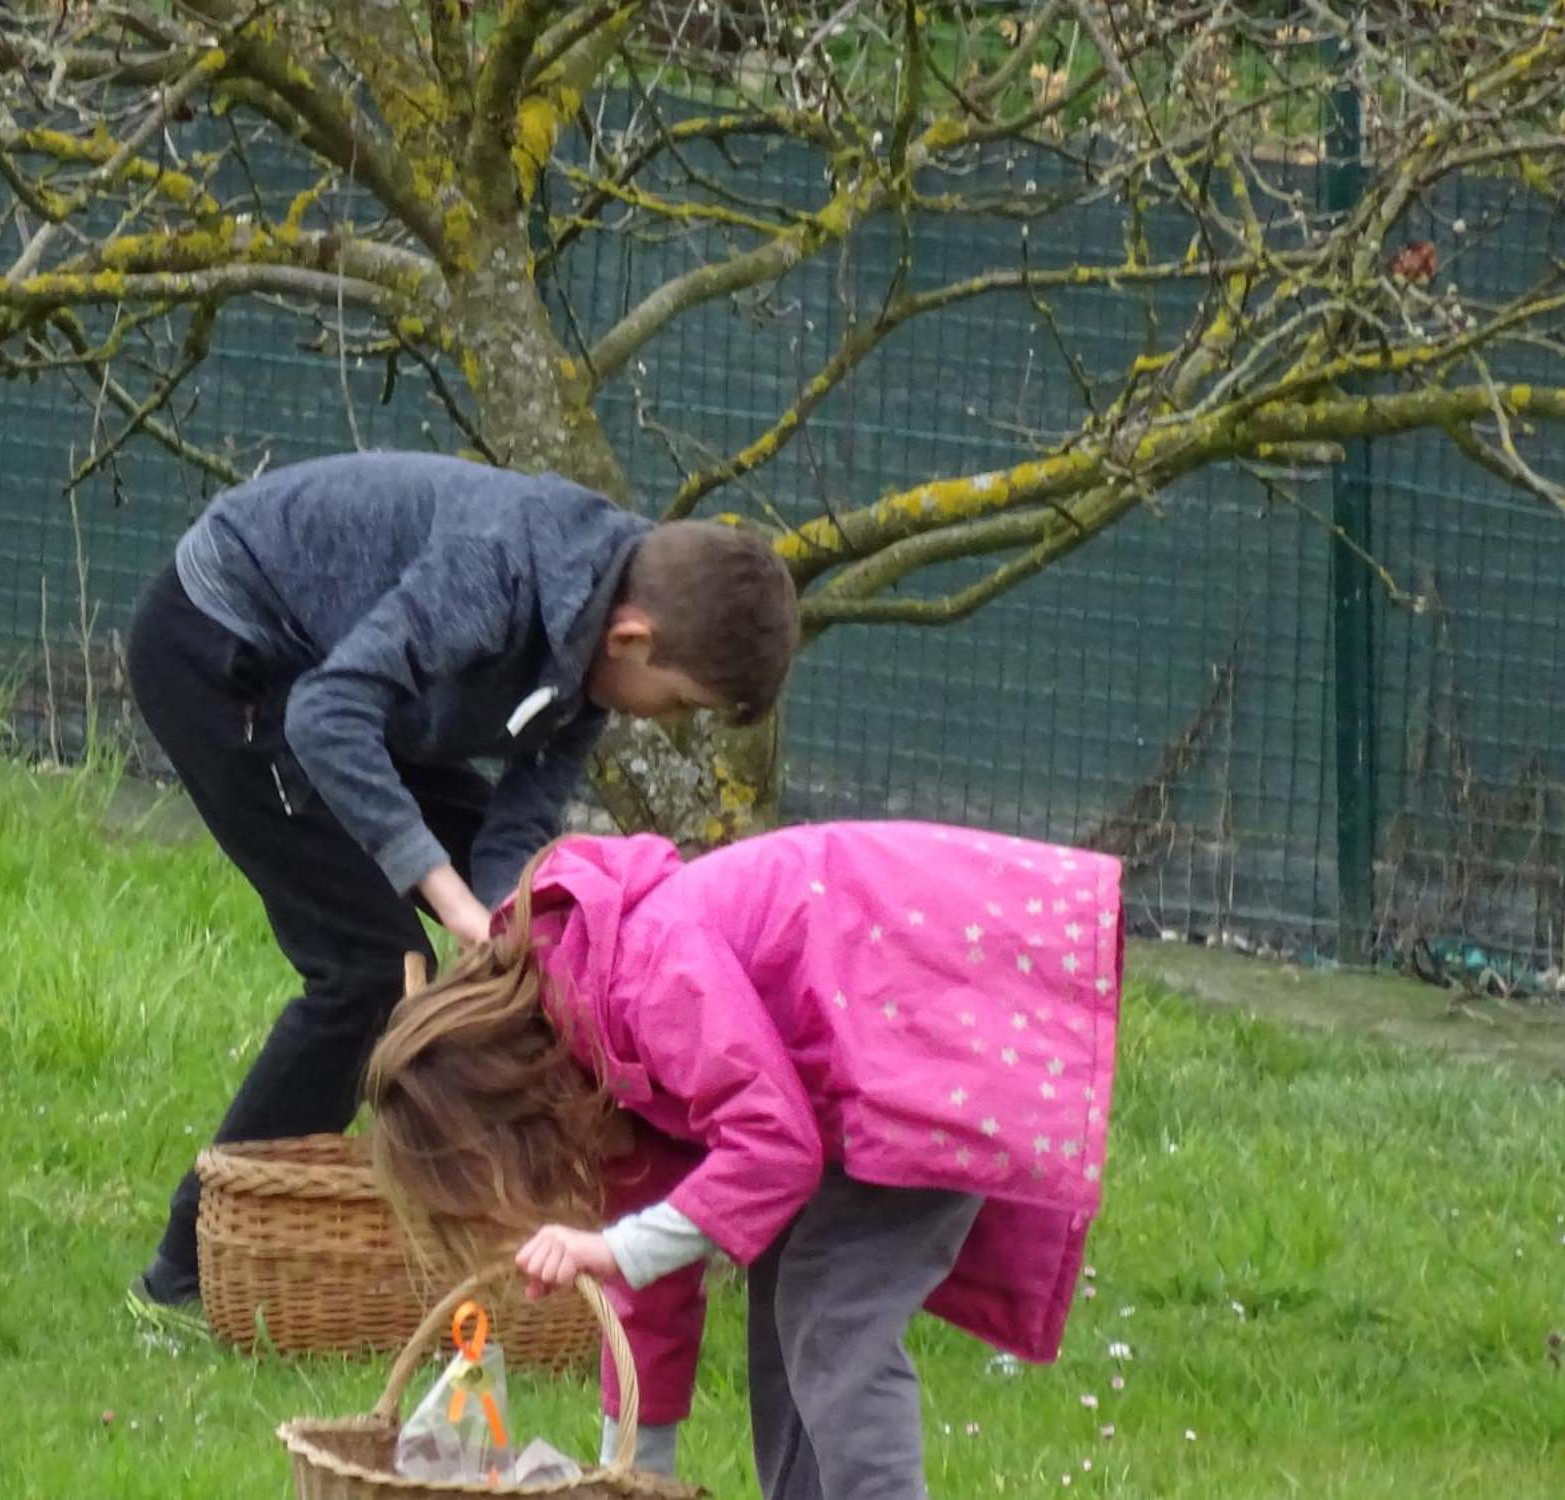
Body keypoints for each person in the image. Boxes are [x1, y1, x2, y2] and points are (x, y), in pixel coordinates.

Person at [123, 451, 801, 1319]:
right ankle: (190, 1271)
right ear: (634, 639)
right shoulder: (501, 569)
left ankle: (499, 1219)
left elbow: (513, 830)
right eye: (677, 704)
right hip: (230, 655)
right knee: (373, 971)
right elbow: (327, 717)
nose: (667, 724)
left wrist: (505, 926)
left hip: (341, 683)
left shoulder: (592, 645)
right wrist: (449, 906)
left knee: (548, 923)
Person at [367, 822, 1125, 1499]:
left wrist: (615, 1248)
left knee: (833, 1315)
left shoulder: (641, 979)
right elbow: (649, 1298)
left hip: (927, 1008)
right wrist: (633, 1479)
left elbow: (775, 1145)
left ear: (511, 1111)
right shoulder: (600, 1067)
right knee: (793, 1301)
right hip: (861, 1058)